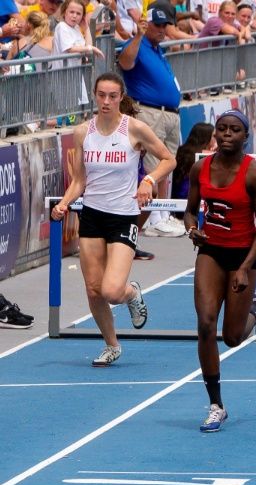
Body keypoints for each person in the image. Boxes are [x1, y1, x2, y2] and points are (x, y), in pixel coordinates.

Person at [50, 73, 174, 367]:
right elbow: (80, 179)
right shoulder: (83, 132)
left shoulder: (134, 129)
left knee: (111, 290)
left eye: (112, 96)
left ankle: (131, 293)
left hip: (123, 216)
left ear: (121, 98)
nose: (106, 101)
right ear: (94, 96)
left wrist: (148, 180)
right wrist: (65, 203)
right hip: (92, 215)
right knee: (93, 289)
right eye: (101, 95)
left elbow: (169, 159)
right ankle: (111, 345)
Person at [182, 110, 256, 433]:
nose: (226, 134)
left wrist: (245, 267)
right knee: (206, 325)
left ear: (245, 136)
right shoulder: (201, 168)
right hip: (210, 252)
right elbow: (189, 211)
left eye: (234, 130)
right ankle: (216, 405)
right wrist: (193, 229)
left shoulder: (254, 175)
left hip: (243, 254)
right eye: (221, 129)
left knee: (233, 337)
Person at [119, 1, 185, 249]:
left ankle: (161, 214)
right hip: (149, 113)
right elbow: (125, 63)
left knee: (166, 165)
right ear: (148, 25)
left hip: (169, 114)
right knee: (151, 169)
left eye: (165, 25)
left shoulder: (158, 48)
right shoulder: (139, 44)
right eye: (157, 25)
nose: (162, 29)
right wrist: (137, 35)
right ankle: (152, 220)